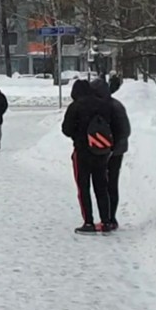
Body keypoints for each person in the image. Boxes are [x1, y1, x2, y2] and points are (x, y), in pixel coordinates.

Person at [61, 79, 121, 234]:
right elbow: (114, 127)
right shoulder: (104, 105)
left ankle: (88, 222)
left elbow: (66, 129)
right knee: (101, 187)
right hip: (101, 153)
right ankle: (106, 222)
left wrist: (78, 134)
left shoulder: (75, 107)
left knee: (84, 188)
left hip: (82, 152)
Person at [94, 75, 131, 225]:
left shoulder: (108, 107)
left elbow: (123, 131)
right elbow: (126, 130)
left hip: (111, 151)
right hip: (116, 150)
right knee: (111, 184)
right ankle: (110, 217)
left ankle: (109, 218)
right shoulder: (116, 105)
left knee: (107, 184)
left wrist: (111, 148)